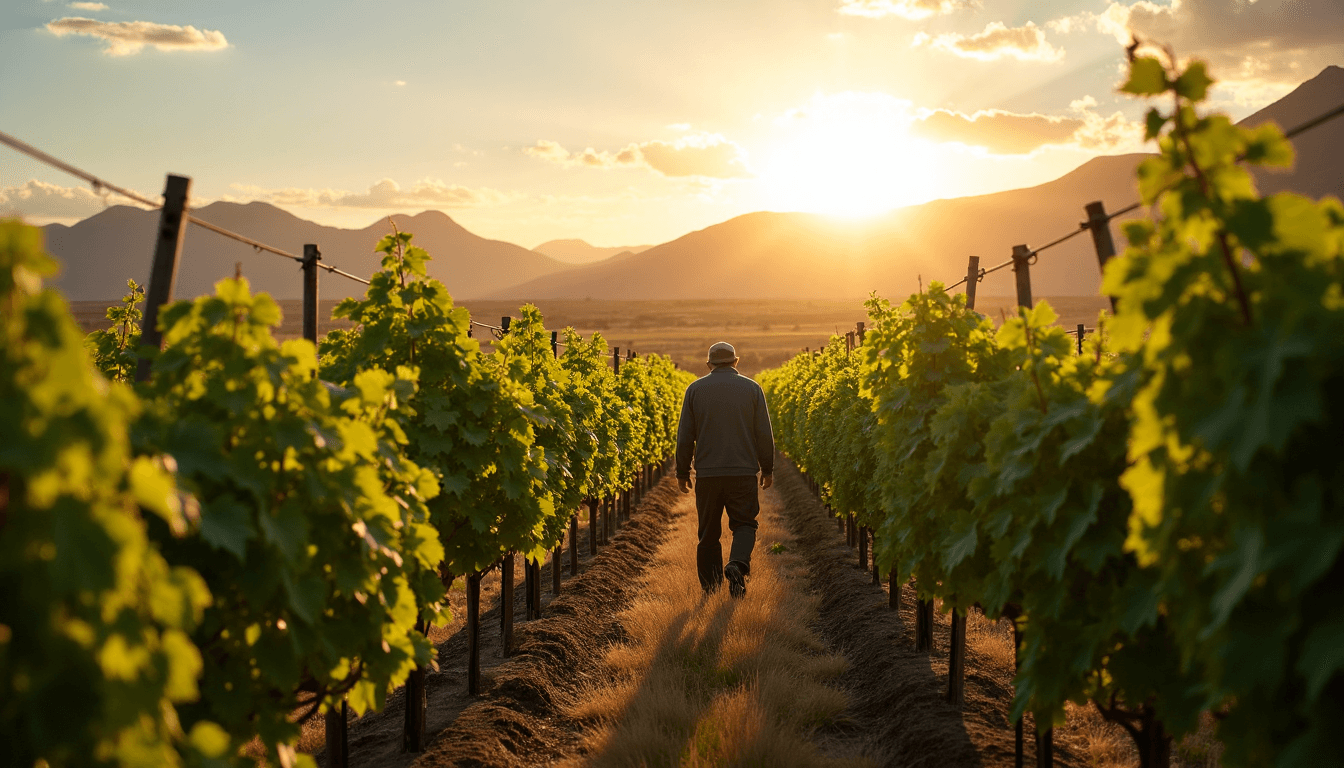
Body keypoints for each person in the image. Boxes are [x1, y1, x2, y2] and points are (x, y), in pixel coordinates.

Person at [675, 341, 775, 597]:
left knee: (708, 533)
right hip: (743, 473)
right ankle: (737, 564)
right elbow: (764, 434)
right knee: (745, 524)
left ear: (709, 364)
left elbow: (685, 436)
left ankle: (711, 589)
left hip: (708, 475)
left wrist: (682, 472)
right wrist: (767, 469)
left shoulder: (694, 389)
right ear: (735, 362)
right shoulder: (752, 388)